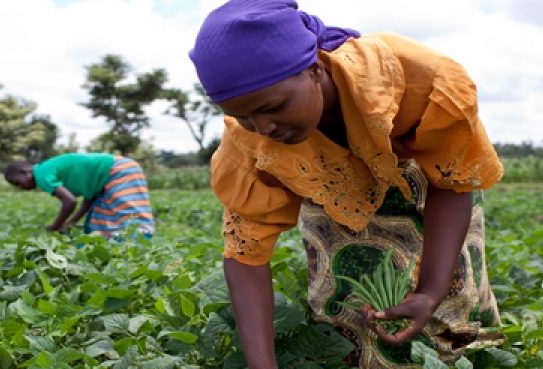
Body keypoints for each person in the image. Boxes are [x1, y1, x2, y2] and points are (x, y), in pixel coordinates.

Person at [189, 1, 502, 367]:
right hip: (331, 198)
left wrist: (431, 292)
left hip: (430, 188)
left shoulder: (415, 77)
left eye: (274, 107)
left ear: (315, 68)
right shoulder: (248, 145)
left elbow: (452, 184)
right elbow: (245, 255)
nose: (264, 129)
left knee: (450, 312)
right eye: (242, 117)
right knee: (345, 309)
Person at [4, 153, 154, 239]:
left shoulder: (41, 175)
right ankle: (111, 247)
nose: (21, 188)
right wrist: (73, 221)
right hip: (112, 172)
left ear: (24, 172)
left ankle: (140, 239)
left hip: (118, 170)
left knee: (128, 211)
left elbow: (70, 201)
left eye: (18, 183)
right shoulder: (46, 169)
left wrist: (55, 226)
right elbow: (89, 197)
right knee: (97, 218)